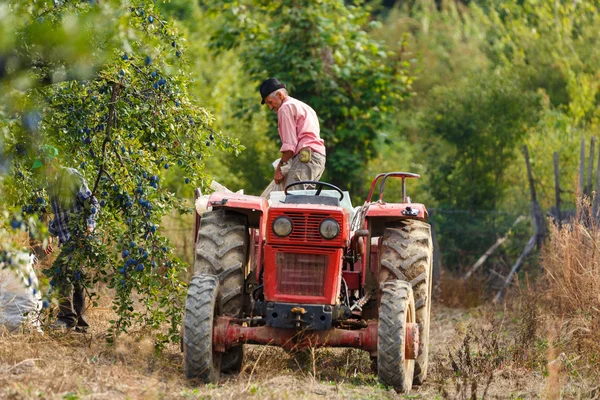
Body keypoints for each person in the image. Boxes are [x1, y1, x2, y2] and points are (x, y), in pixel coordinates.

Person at [32, 145, 99, 332]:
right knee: (76, 278)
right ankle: (81, 324)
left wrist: (90, 225)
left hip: (79, 237)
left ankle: (66, 318)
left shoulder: (71, 176)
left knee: (61, 273)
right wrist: (51, 235)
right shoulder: (51, 186)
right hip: (66, 239)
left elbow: (92, 203)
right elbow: (60, 217)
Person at [259, 78, 326, 193]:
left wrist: (279, 168)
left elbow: (290, 147)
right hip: (318, 159)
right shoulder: (303, 106)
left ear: (279, 95)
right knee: (303, 201)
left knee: (291, 198)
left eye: (270, 102)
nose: (270, 107)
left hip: (306, 158)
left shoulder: (285, 108)